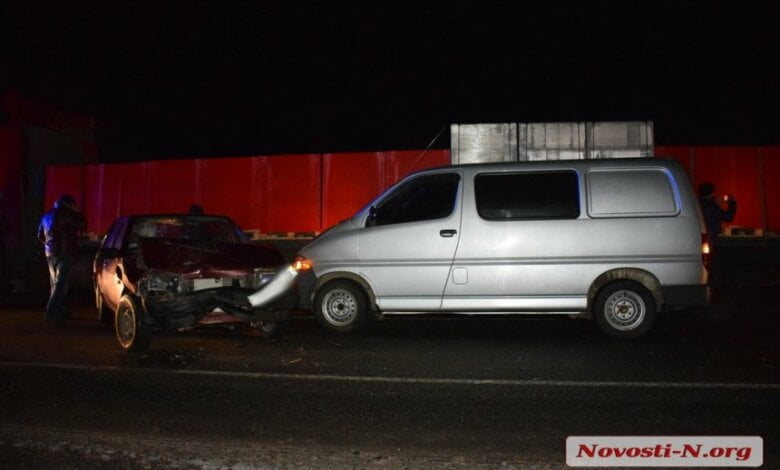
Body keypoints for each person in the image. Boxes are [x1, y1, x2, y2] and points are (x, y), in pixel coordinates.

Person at [38, 194, 86, 324]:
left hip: (50, 253)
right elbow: (81, 225)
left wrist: (49, 244)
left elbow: (40, 236)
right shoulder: (68, 214)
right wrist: (79, 213)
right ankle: (51, 313)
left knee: (55, 283)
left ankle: (59, 310)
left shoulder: (46, 215)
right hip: (65, 252)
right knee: (61, 284)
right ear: (69, 204)